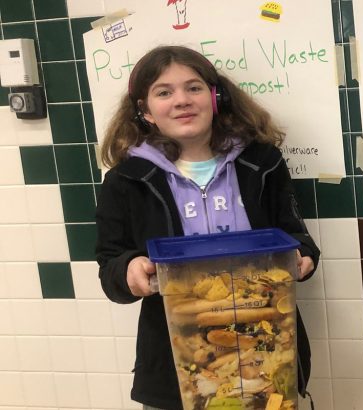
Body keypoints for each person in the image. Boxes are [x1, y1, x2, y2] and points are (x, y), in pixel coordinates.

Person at [95, 45, 320, 410]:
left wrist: (302, 257)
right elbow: (111, 265)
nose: (182, 100)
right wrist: (129, 270)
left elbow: (297, 236)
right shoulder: (126, 180)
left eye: (194, 87)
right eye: (164, 92)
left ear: (216, 96)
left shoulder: (260, 162)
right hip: (176, 363)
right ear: (145, 111)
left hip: (266, 351)